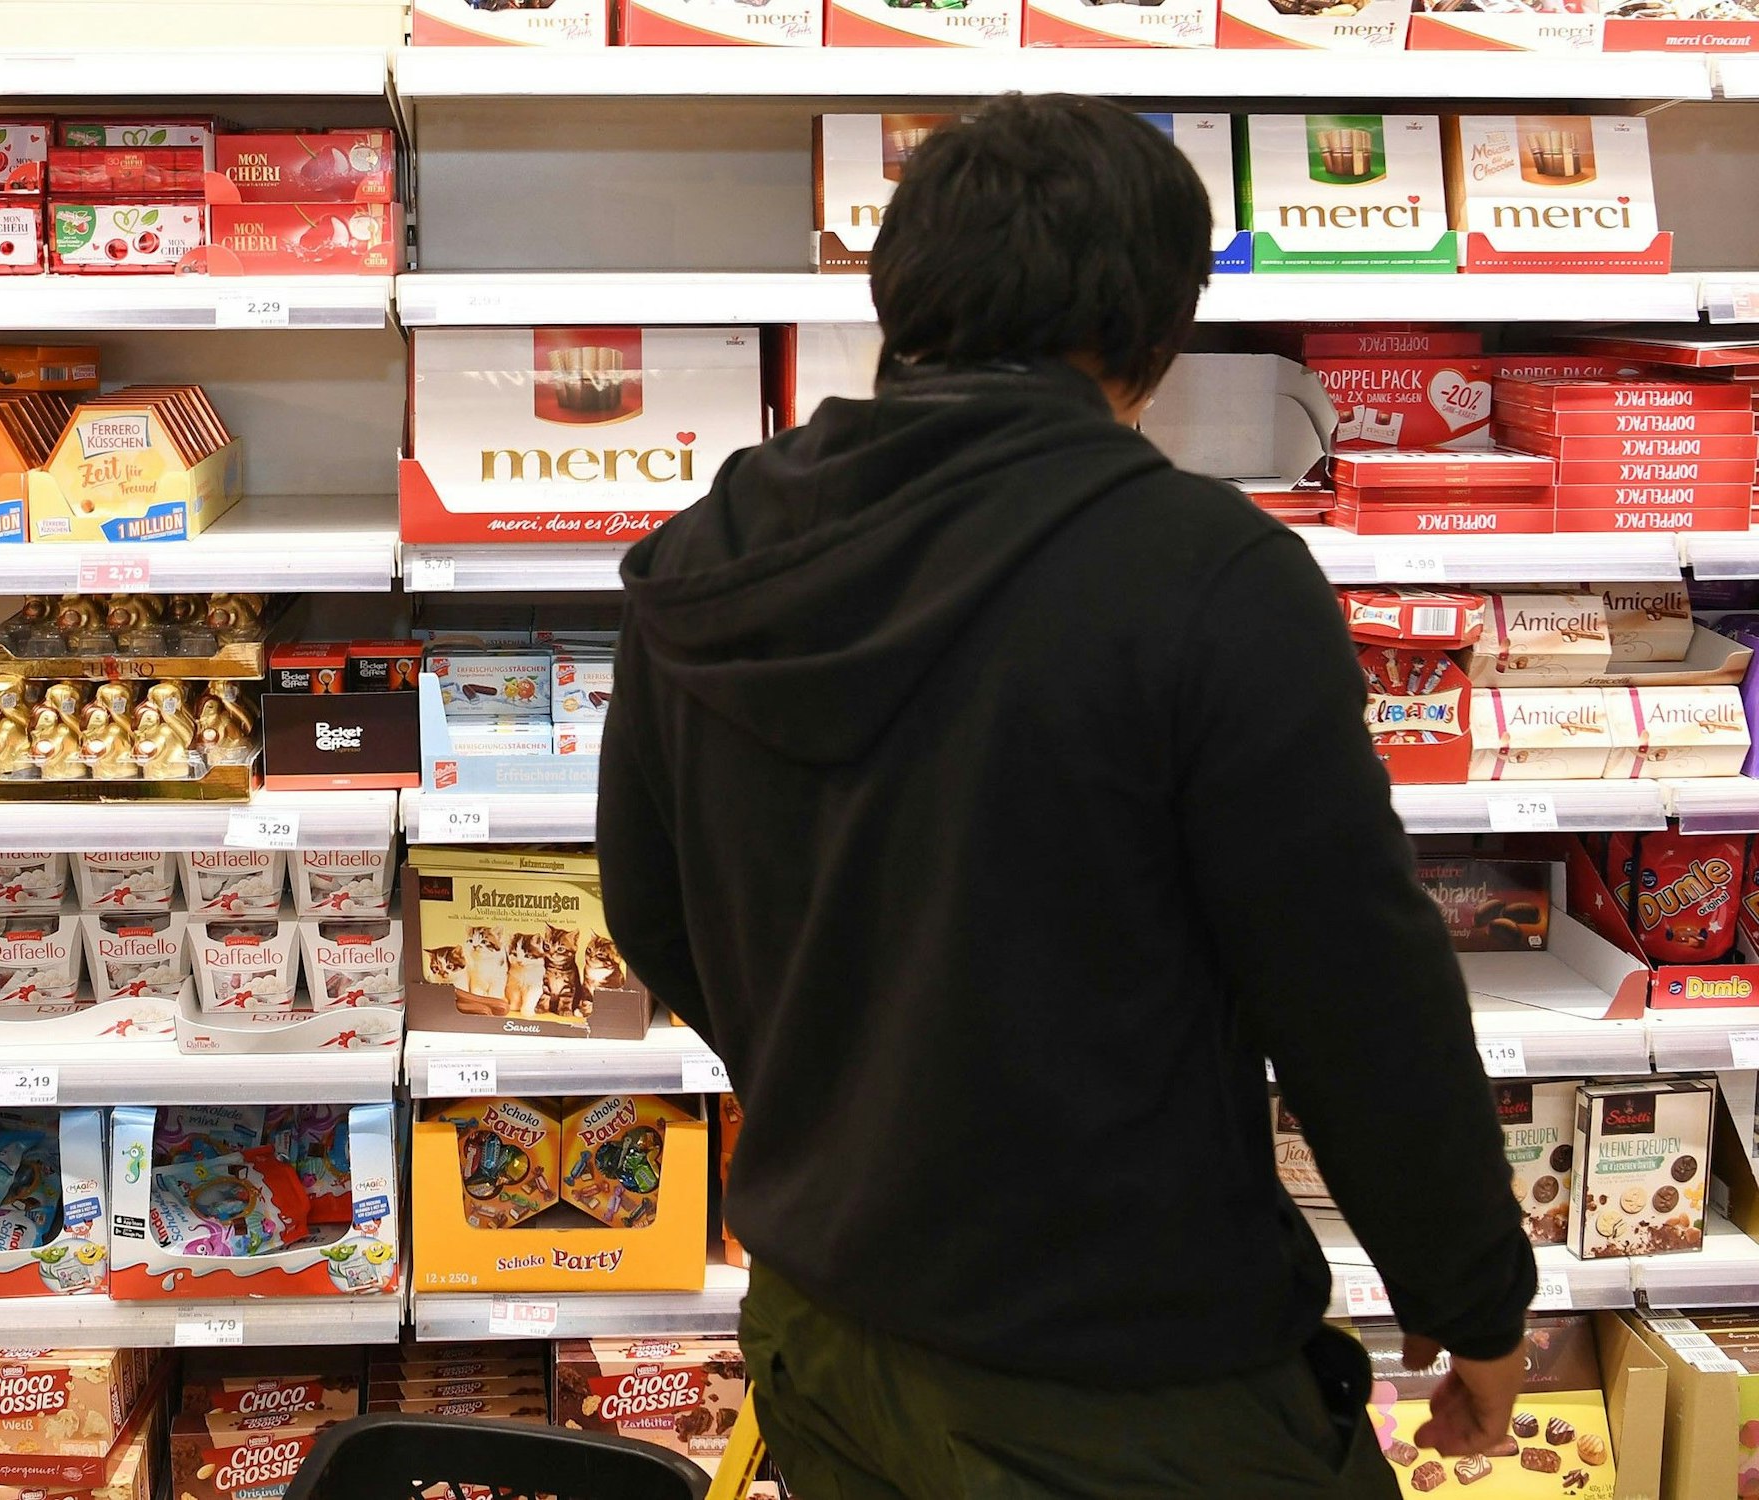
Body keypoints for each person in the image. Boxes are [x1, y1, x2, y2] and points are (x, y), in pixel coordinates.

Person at [595, 93, 1534, 1499]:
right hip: (1122, 1377)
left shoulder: (710, 549)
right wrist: (1471, 1304)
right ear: (1157, 332)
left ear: (897, 290)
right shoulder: (1206, 578)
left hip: (821, 1328)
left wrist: (859, 1090)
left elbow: (650, 910)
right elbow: (1356, 993)